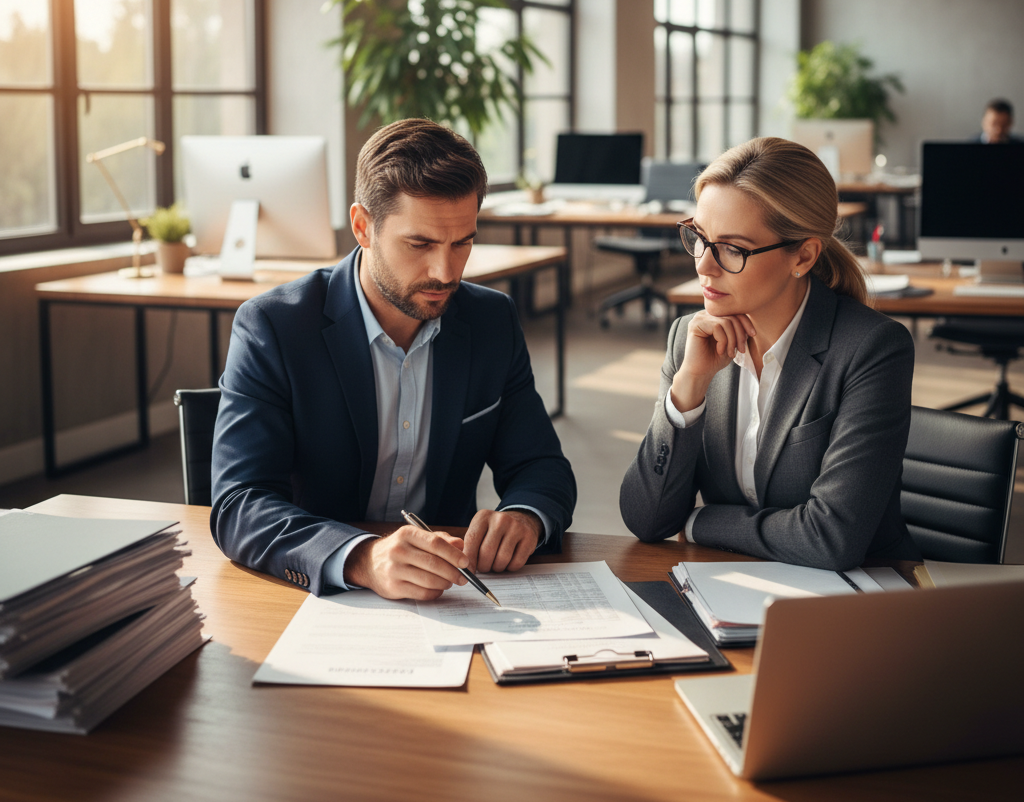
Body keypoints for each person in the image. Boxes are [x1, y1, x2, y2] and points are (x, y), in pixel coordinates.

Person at [211, 118, 576, 600]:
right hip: (316, 596)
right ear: (363, 227)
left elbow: (541, 465)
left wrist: (526, 515)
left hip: (450, 594)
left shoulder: (491, 320)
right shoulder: (274, 328)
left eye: (462, 242)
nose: (445, 272)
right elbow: (239, 504)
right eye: (420, 244)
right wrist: (362, 557)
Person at [619, 136, 921, 569]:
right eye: (699, 237)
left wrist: (704, 523)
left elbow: (830, 538)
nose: (704, 264)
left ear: (803, 255)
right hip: (734, 592)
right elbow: (646, 520)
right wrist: (688, 389)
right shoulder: (691, 338)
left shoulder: (871, 350)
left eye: (732, 249)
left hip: (857, 603)